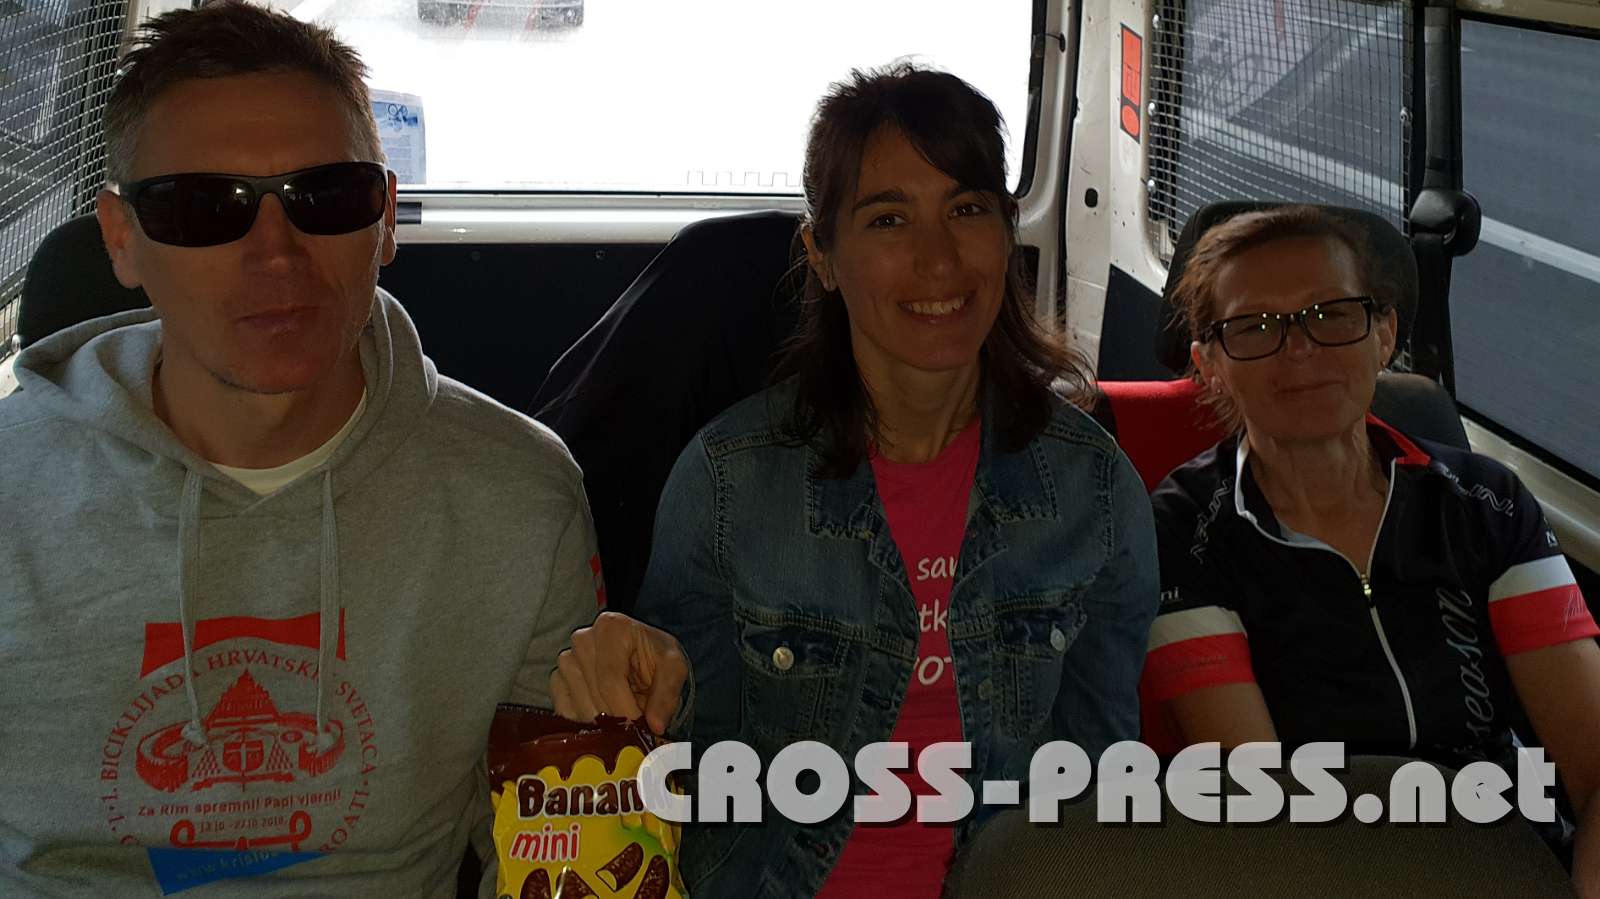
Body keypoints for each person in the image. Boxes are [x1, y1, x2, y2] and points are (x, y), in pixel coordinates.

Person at [0, 4, 600, 896]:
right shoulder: (13, 490)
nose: (276, 254)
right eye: (205, 207)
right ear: (122, 239)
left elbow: (554, 848)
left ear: (385, 217)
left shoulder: (520, 499)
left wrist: (623, 745)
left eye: (326, 197)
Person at [547, 63, 1159, 899]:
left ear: (1005, 230)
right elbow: (686, 761)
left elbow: (1098, 790)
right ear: (824, 256)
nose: (938, 259)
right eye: (888, 219)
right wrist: (634, 681)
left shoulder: (1095, 489)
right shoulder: (728, 483)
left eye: (967, 210)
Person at [1141, 204, 1600, 894]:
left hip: (1518, 851)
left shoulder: (1486, 500)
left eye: (1332, 314)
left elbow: (1594, 765)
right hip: (1327, 866)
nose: (1300, 350)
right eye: (1255, 327)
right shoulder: (1182, 530)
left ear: (1383, 334)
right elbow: (1261, 802)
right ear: (1209, 366)